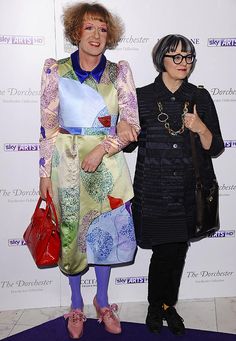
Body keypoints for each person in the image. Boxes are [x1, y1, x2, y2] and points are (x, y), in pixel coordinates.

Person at [39, 2, 140, 339]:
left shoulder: (120, 73)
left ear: (109, 35)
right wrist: (43, 176)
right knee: (72, 236)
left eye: (102, 28)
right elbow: (48, 129)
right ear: (75, 32)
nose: (96, 34)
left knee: (106, 238)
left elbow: (130, 126)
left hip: (108, 166)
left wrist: (101, 148)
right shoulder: (55, 70)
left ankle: (103, 301)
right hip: (66, 167)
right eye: (88, 27)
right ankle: (76, 303)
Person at [124, 34, 224, 335]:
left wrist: (201, 127)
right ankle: (160, 305)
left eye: (189, 56)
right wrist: (124, 128)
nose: (184, 62)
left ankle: (164, 305)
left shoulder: (200, 97)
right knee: (162, 251)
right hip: (152, 190)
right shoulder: (139, 96)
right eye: (176, 56)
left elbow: (215, 145)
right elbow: (128, 146)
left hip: (185, 193)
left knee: (176, 252)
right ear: (161, 59)